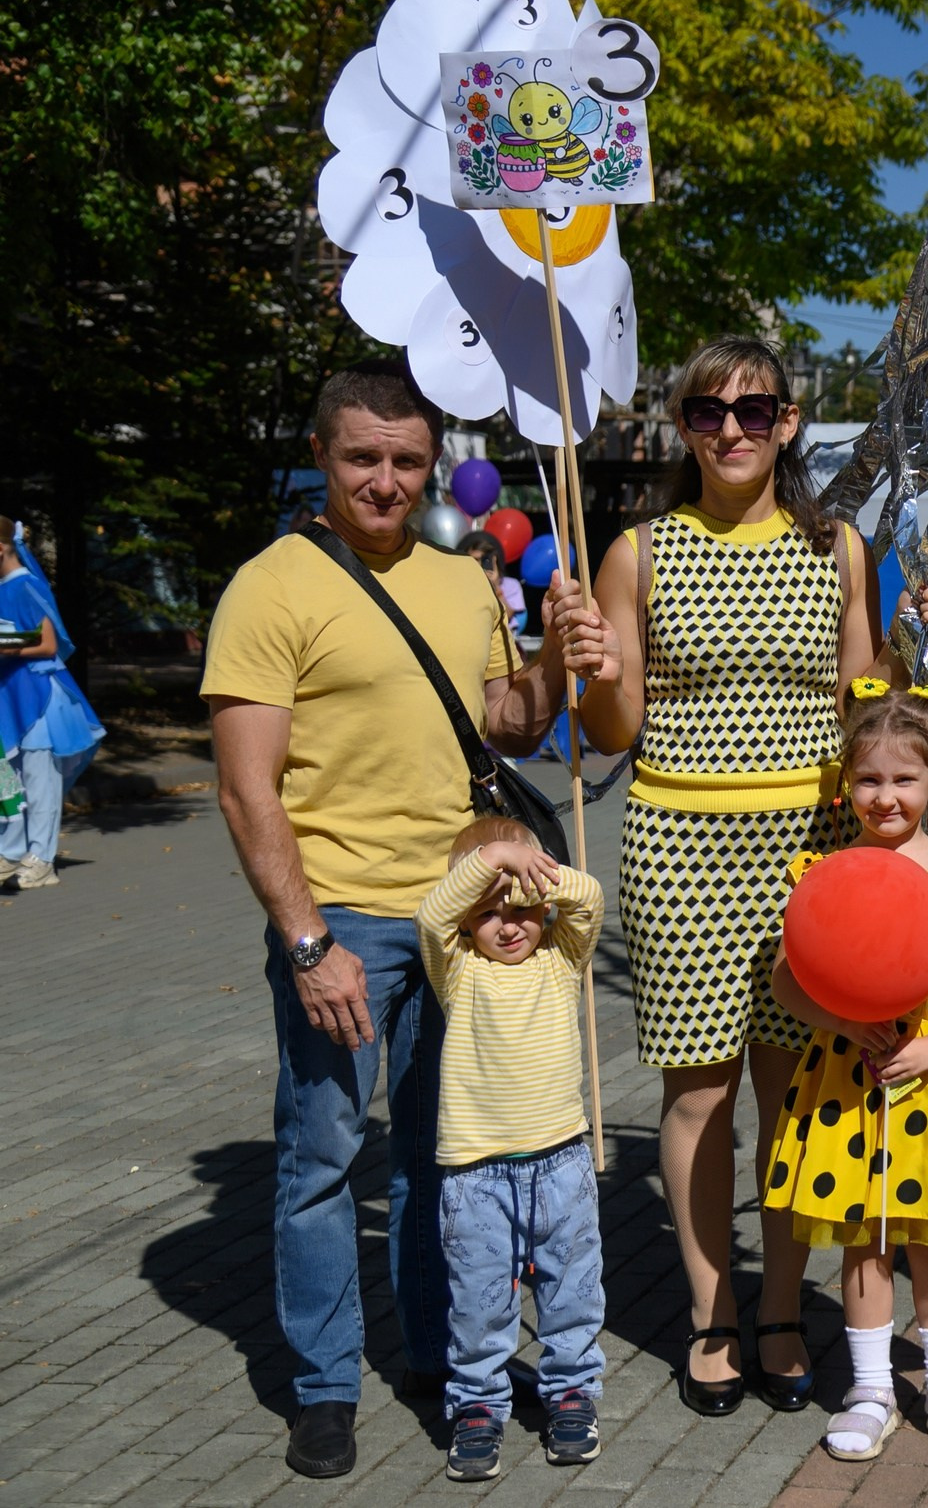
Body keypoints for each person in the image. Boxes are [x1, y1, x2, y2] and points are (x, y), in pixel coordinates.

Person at [201, 361, 604, 1480]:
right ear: (324, 458)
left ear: (434, 466)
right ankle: (324, 1387)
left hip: (462, 918)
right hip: (343, 923)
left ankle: (439, 1353)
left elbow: (505, 728)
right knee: (323, 1158)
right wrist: (307, 940)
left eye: (406, 460)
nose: (385, 481)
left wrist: (554, 669)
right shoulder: (271, 587)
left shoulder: (462, 578)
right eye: (362, 458)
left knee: (445, 1157)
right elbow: (247, 791)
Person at [576, 336, 928, 1417]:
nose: (732, 430)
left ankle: (782, 1306)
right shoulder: (639, 552)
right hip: (681, 842)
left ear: (788, 422)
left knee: (797, 1092)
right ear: (679, 427)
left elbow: (863, 700)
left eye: (754, 410)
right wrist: (590, 673)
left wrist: (921, 647)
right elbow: (613, 730)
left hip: (812, 849)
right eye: (707, 413)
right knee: (699, 1091)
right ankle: (711, 1312)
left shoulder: (835, 545)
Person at [764, 682, 928, 1464]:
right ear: (847, 780)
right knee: (863, 1236)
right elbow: (785, 977)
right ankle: (872, 1386)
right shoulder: (825, 871)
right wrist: (843, 1018)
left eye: (903, 779)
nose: (885, 796)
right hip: (852, 1079)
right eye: (869, 779)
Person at [415, 817, 608, 1481]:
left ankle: (572, 1393)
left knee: (572, 1291)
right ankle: (475, 1406)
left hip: (561, 1161)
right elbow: (431, 914)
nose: (510, 924)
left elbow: (592, 898)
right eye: (490, 911)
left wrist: (533, 865)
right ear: (468, 919)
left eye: (523, 908)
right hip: (476, 1173)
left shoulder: (562, 957)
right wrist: (493, 857)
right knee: (478, 1301)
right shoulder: (457, 969)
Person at [0, 515, 105, 890]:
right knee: (9, 778)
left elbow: (48, 644)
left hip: (38, 697)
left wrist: (4, 645)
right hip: (12, 695)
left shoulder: (26, 586)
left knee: (40, 781)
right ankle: (10, 851)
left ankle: (42, 859)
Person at [458, 530, 529, 640]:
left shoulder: (511, 585)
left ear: (494, 560)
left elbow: (507, 616)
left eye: (484, 560)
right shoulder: (460, 586)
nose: (479, 565)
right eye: (474, 560)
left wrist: (495, 586)